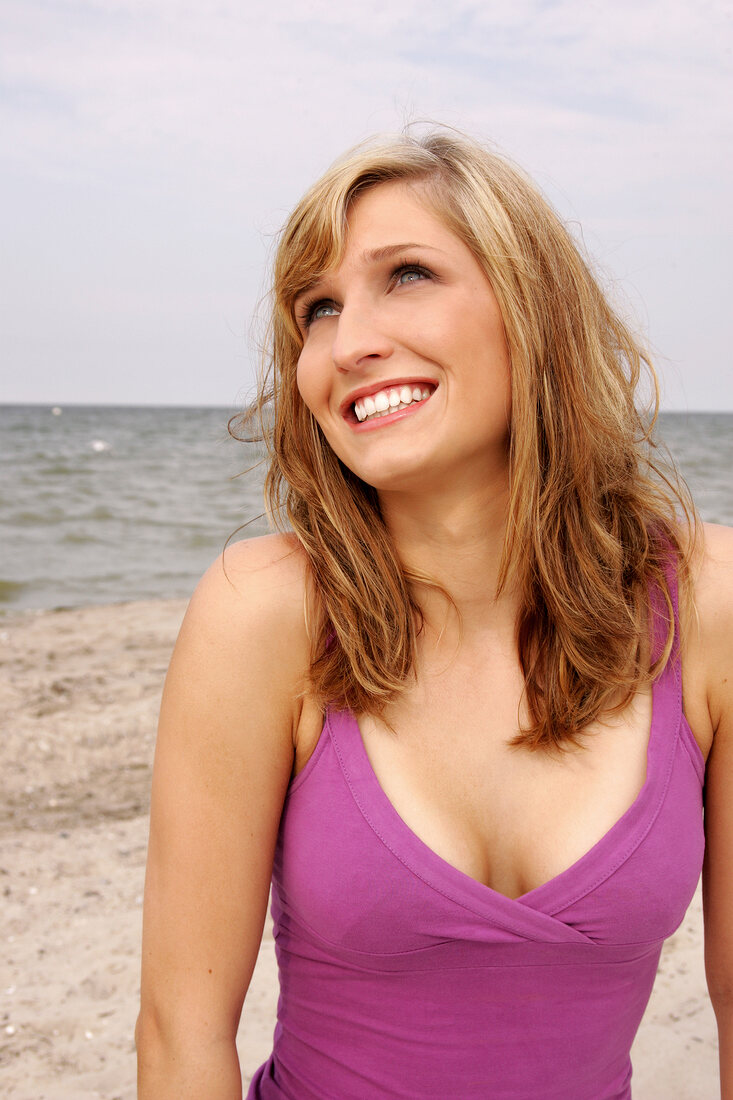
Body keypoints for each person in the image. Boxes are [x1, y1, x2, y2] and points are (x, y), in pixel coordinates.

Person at [135, 128, 733, 1099]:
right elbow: (179, 1034)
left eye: (405, 274)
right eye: (316, 309)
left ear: (531, 305)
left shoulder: (707, 601)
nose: (349, 341)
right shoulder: (265, 614)